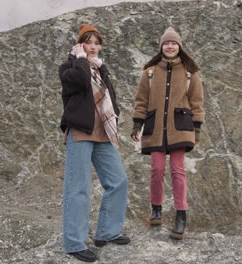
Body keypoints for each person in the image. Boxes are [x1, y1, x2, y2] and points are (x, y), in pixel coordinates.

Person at [59, 24, 130, 262]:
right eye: (88, 42)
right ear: (80, 44)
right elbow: (79, 81)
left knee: (118, 180)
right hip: (80, 132)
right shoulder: (69, 68)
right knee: (78, 189)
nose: (93, 47)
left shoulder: (100, 69)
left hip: (103, 133)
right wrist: (80, 58)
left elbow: (110, 98)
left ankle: (107, 232)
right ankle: (74, 243)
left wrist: (116, 116)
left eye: (96, 43)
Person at [131, 27, 205, 240]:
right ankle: (156, 209)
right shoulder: (150, 72)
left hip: (180, 128)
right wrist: (137, 125)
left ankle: (181, 216)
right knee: (156, 169)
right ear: (161, 46)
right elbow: (141, 101)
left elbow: (197, 103)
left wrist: (197, 129)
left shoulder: (190, 73)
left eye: (173, 43)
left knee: (177, 171)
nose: (170, 46)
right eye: (166, 43)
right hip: (155, 128)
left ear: (179, 46)